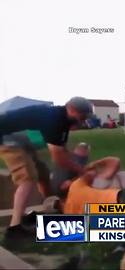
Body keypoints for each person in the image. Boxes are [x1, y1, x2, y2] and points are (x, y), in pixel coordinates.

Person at [0, 97, 92, 239]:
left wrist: (76, 165)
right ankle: (15, 227)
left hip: (21, 140)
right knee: (27, 178)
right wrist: (82, 171)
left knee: (42, 173)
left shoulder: (63, 119)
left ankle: (49, 207)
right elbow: (58, 157)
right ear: (72, 109)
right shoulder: (56, 119)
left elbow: (62, 150)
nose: (83, 121)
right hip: (5, 137)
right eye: (83, 116)